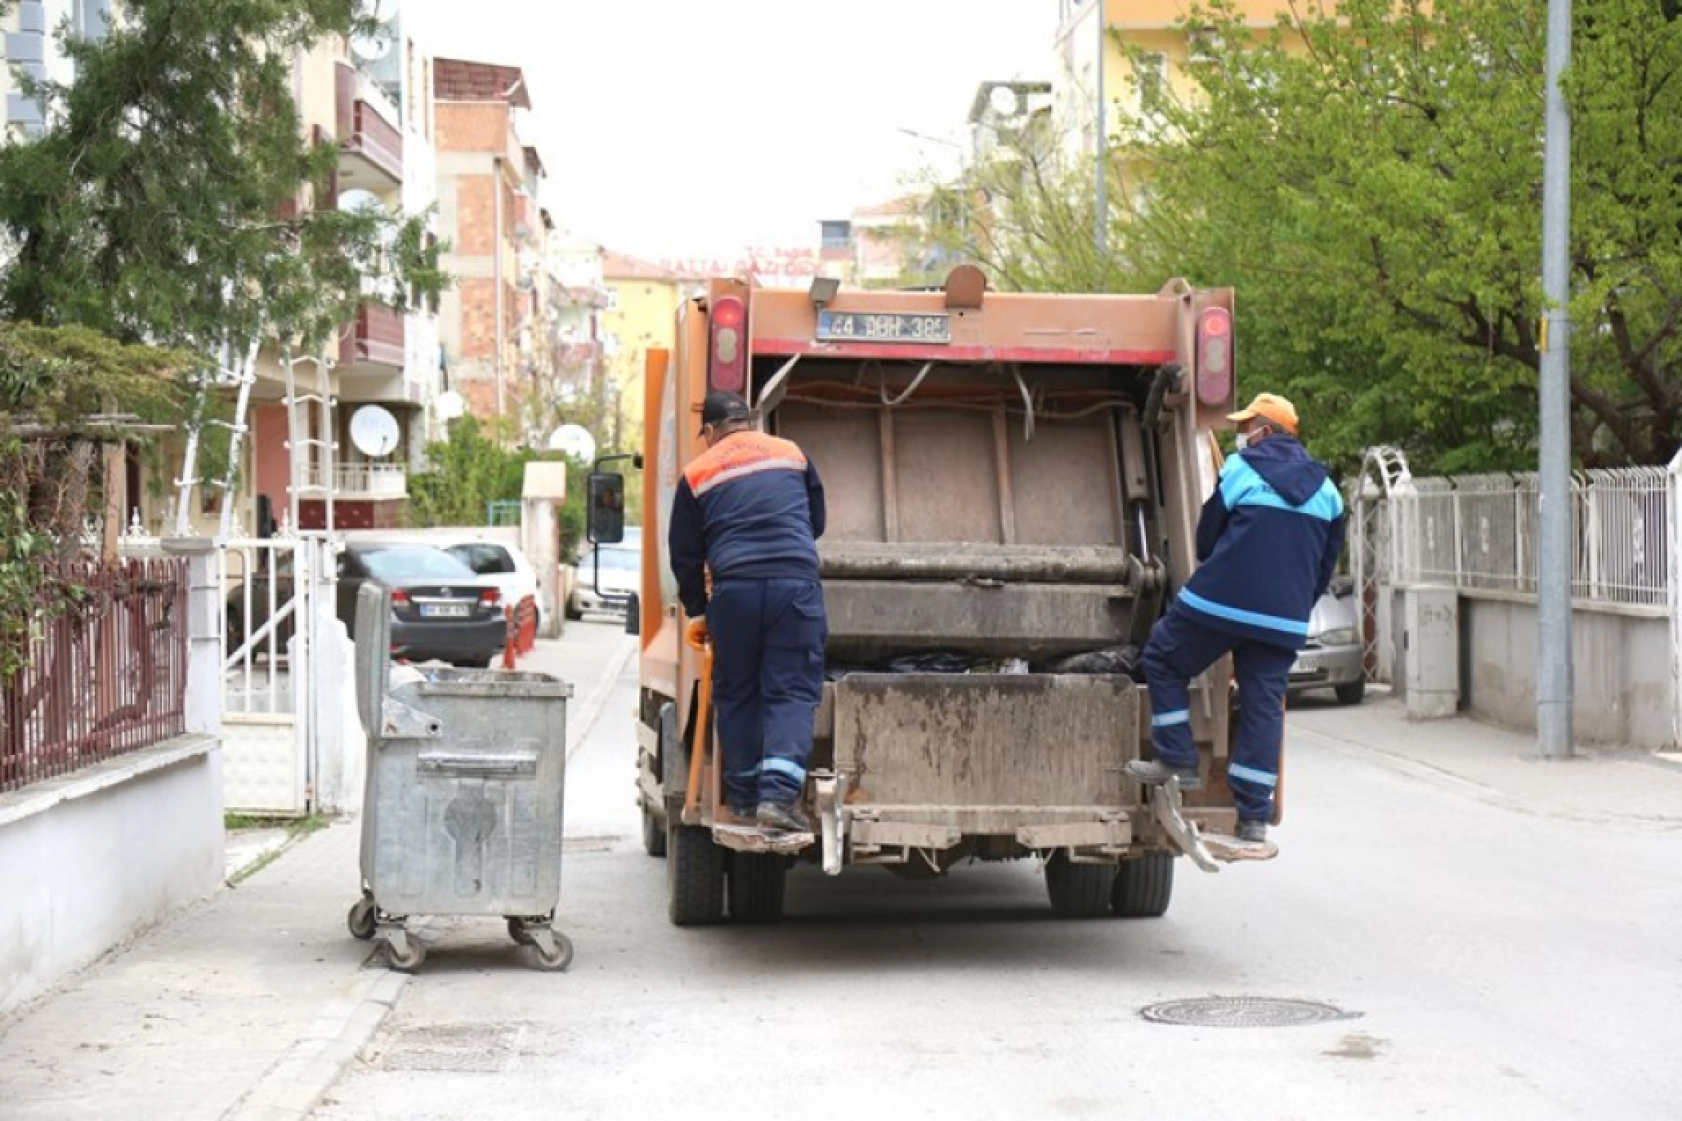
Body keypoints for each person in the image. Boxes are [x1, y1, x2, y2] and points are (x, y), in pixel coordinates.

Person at [1124, 392, 1344, 845]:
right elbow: (1324, 568)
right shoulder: (1329, 491)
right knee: (1264, 705)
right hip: (1283, 617)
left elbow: (1206, 539)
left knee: (1164, 656)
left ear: (1264, 431)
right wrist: (1290, 609)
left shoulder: (1241, 470)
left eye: (1247, 427)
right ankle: (1253, 818)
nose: (1242, 435)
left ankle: (1179, 759)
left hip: (1221, 602)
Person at [668, 390, 828, 834]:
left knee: (737, 691)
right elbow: (816, 521)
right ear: (750, 422)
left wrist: (700, 611)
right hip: (794, 588)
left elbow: (684, 555)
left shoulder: (697, 473)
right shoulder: (790, 453)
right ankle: (777, 799)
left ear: (713, 430)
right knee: (791, 689)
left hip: (734, 592)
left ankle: (742, 796)